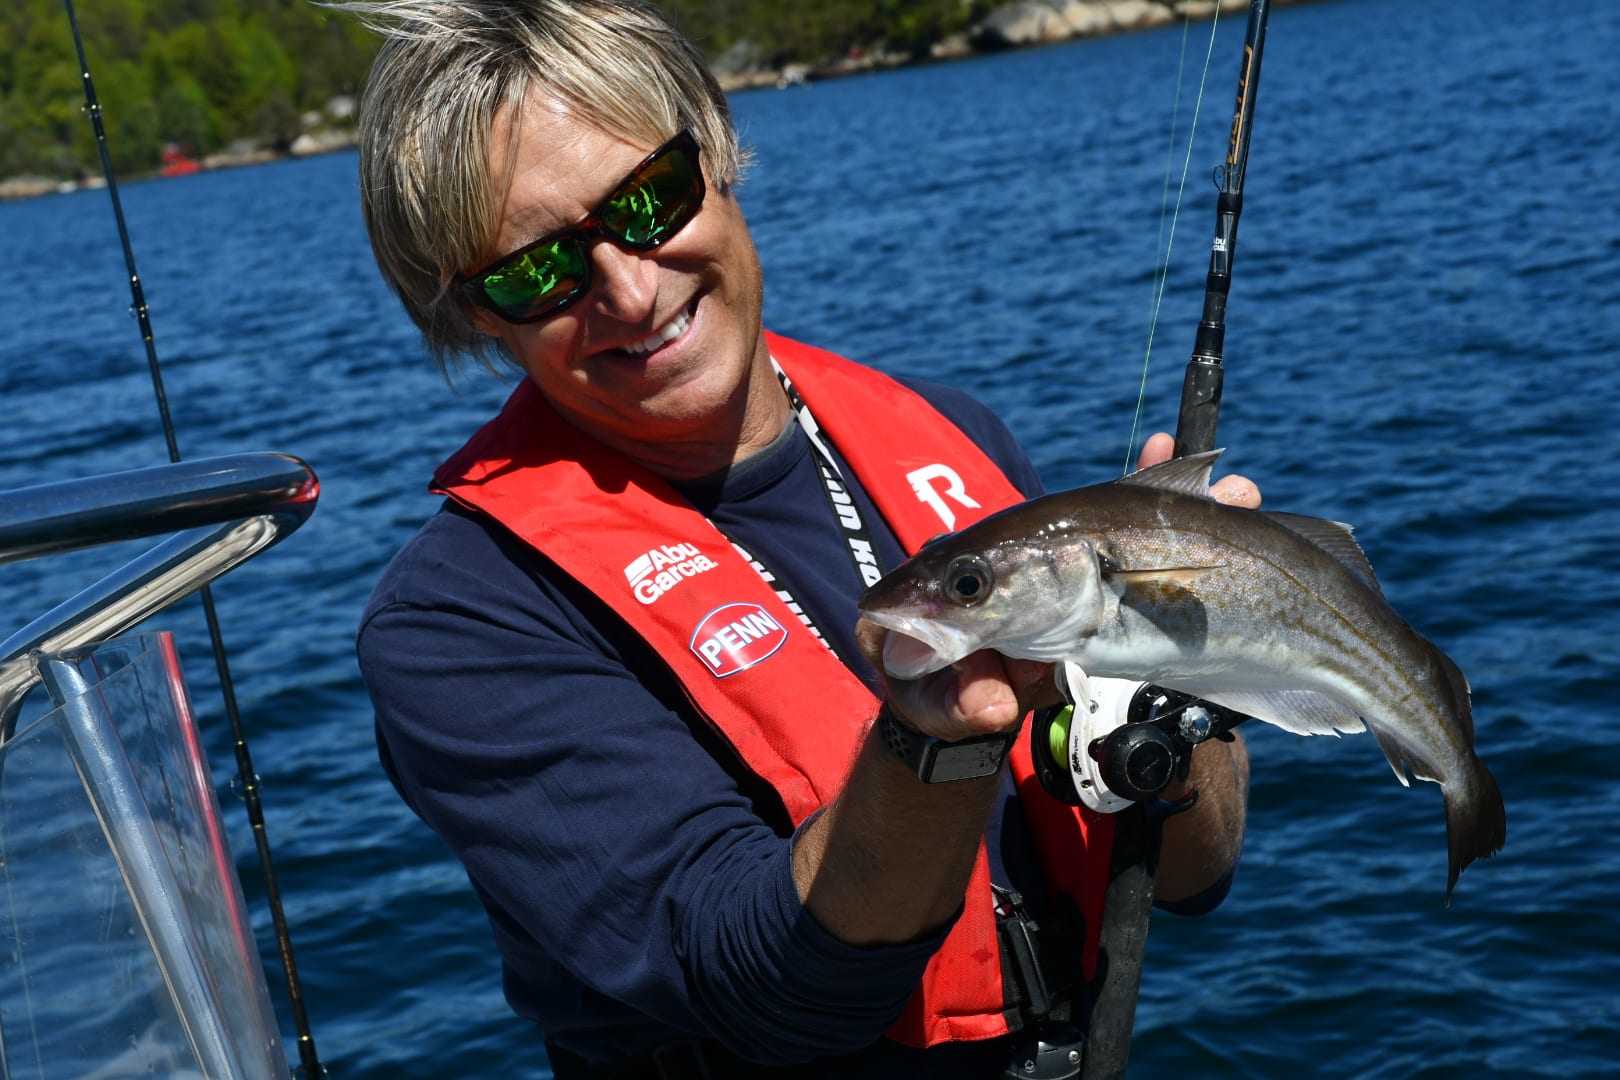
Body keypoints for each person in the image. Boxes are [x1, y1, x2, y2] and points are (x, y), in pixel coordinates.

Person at [345, 2, 1256, 1076]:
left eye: (648, 200)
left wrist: (1187, 675)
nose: (630, 290)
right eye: (537, 271)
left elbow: (1194, 874)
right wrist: (934, 742)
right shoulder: (458, 621)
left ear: (716, 152)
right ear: (476, 314)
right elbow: (772, 993)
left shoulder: (955, 433)